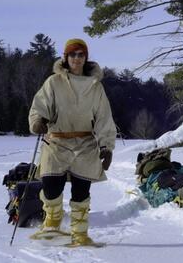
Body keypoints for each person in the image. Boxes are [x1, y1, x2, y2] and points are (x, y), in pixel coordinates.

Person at [28, 38, 117, 246]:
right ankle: (52, 221)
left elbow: (104, 118)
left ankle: (80, 233)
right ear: (66, 58)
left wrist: (107, 147)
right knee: (50, 185)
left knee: (81, 190)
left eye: (81, 55)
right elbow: (39, 106)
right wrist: (37, 122)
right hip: (56, 141)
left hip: (85, 143)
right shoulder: (54, 82)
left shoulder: (96, 87)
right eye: (73, 54)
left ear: (85, 58)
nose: (77, 58)